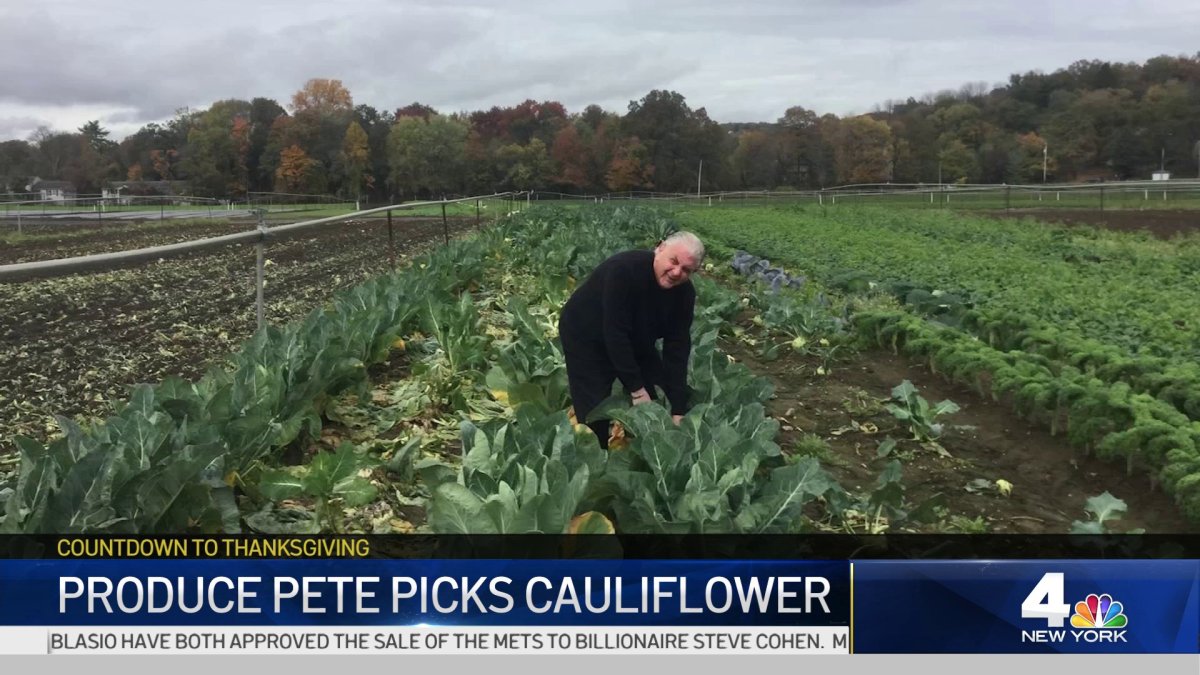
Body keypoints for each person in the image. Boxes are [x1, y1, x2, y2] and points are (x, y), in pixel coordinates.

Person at [558, 231, 704, 448]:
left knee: (658, 391)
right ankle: (596, 456)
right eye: (674, 261)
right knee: (594, 406)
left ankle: (649, 449)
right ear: (660, 248)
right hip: (586, 334)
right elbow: (615, 334)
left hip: (635, 337)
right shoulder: (624, 271)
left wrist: (678, 409)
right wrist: (636, 390)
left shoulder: (684, 295)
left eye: (686, 270)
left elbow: (678, 348)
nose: (676, 272)